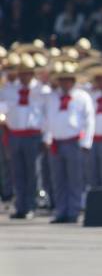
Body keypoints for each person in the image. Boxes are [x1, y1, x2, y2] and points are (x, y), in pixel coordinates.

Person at [44, 62, 95, 224]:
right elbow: (47, 119)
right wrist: (47, 137)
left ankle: (73, 210)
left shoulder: (82, 97)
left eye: (68, 80)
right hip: (57, 142)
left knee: (75, 179)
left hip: (74, 142)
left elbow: (89, 120)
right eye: (62, 80)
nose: (65, 83)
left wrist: (86, 142)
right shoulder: (52, 97)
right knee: (58, 179)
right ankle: (61, 210)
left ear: (73, 81)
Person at [1, 55, 49, 219]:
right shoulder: (9, 90)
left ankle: (31, 204)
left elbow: (47, 115)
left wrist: (46, 137)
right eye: (21, 73)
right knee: (17, 172)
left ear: (32, 74)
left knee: (33, 172)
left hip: (33, 134)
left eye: (27, 73)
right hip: (15, 134)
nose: (24, 77)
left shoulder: (42, 91)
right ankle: (20, 205)